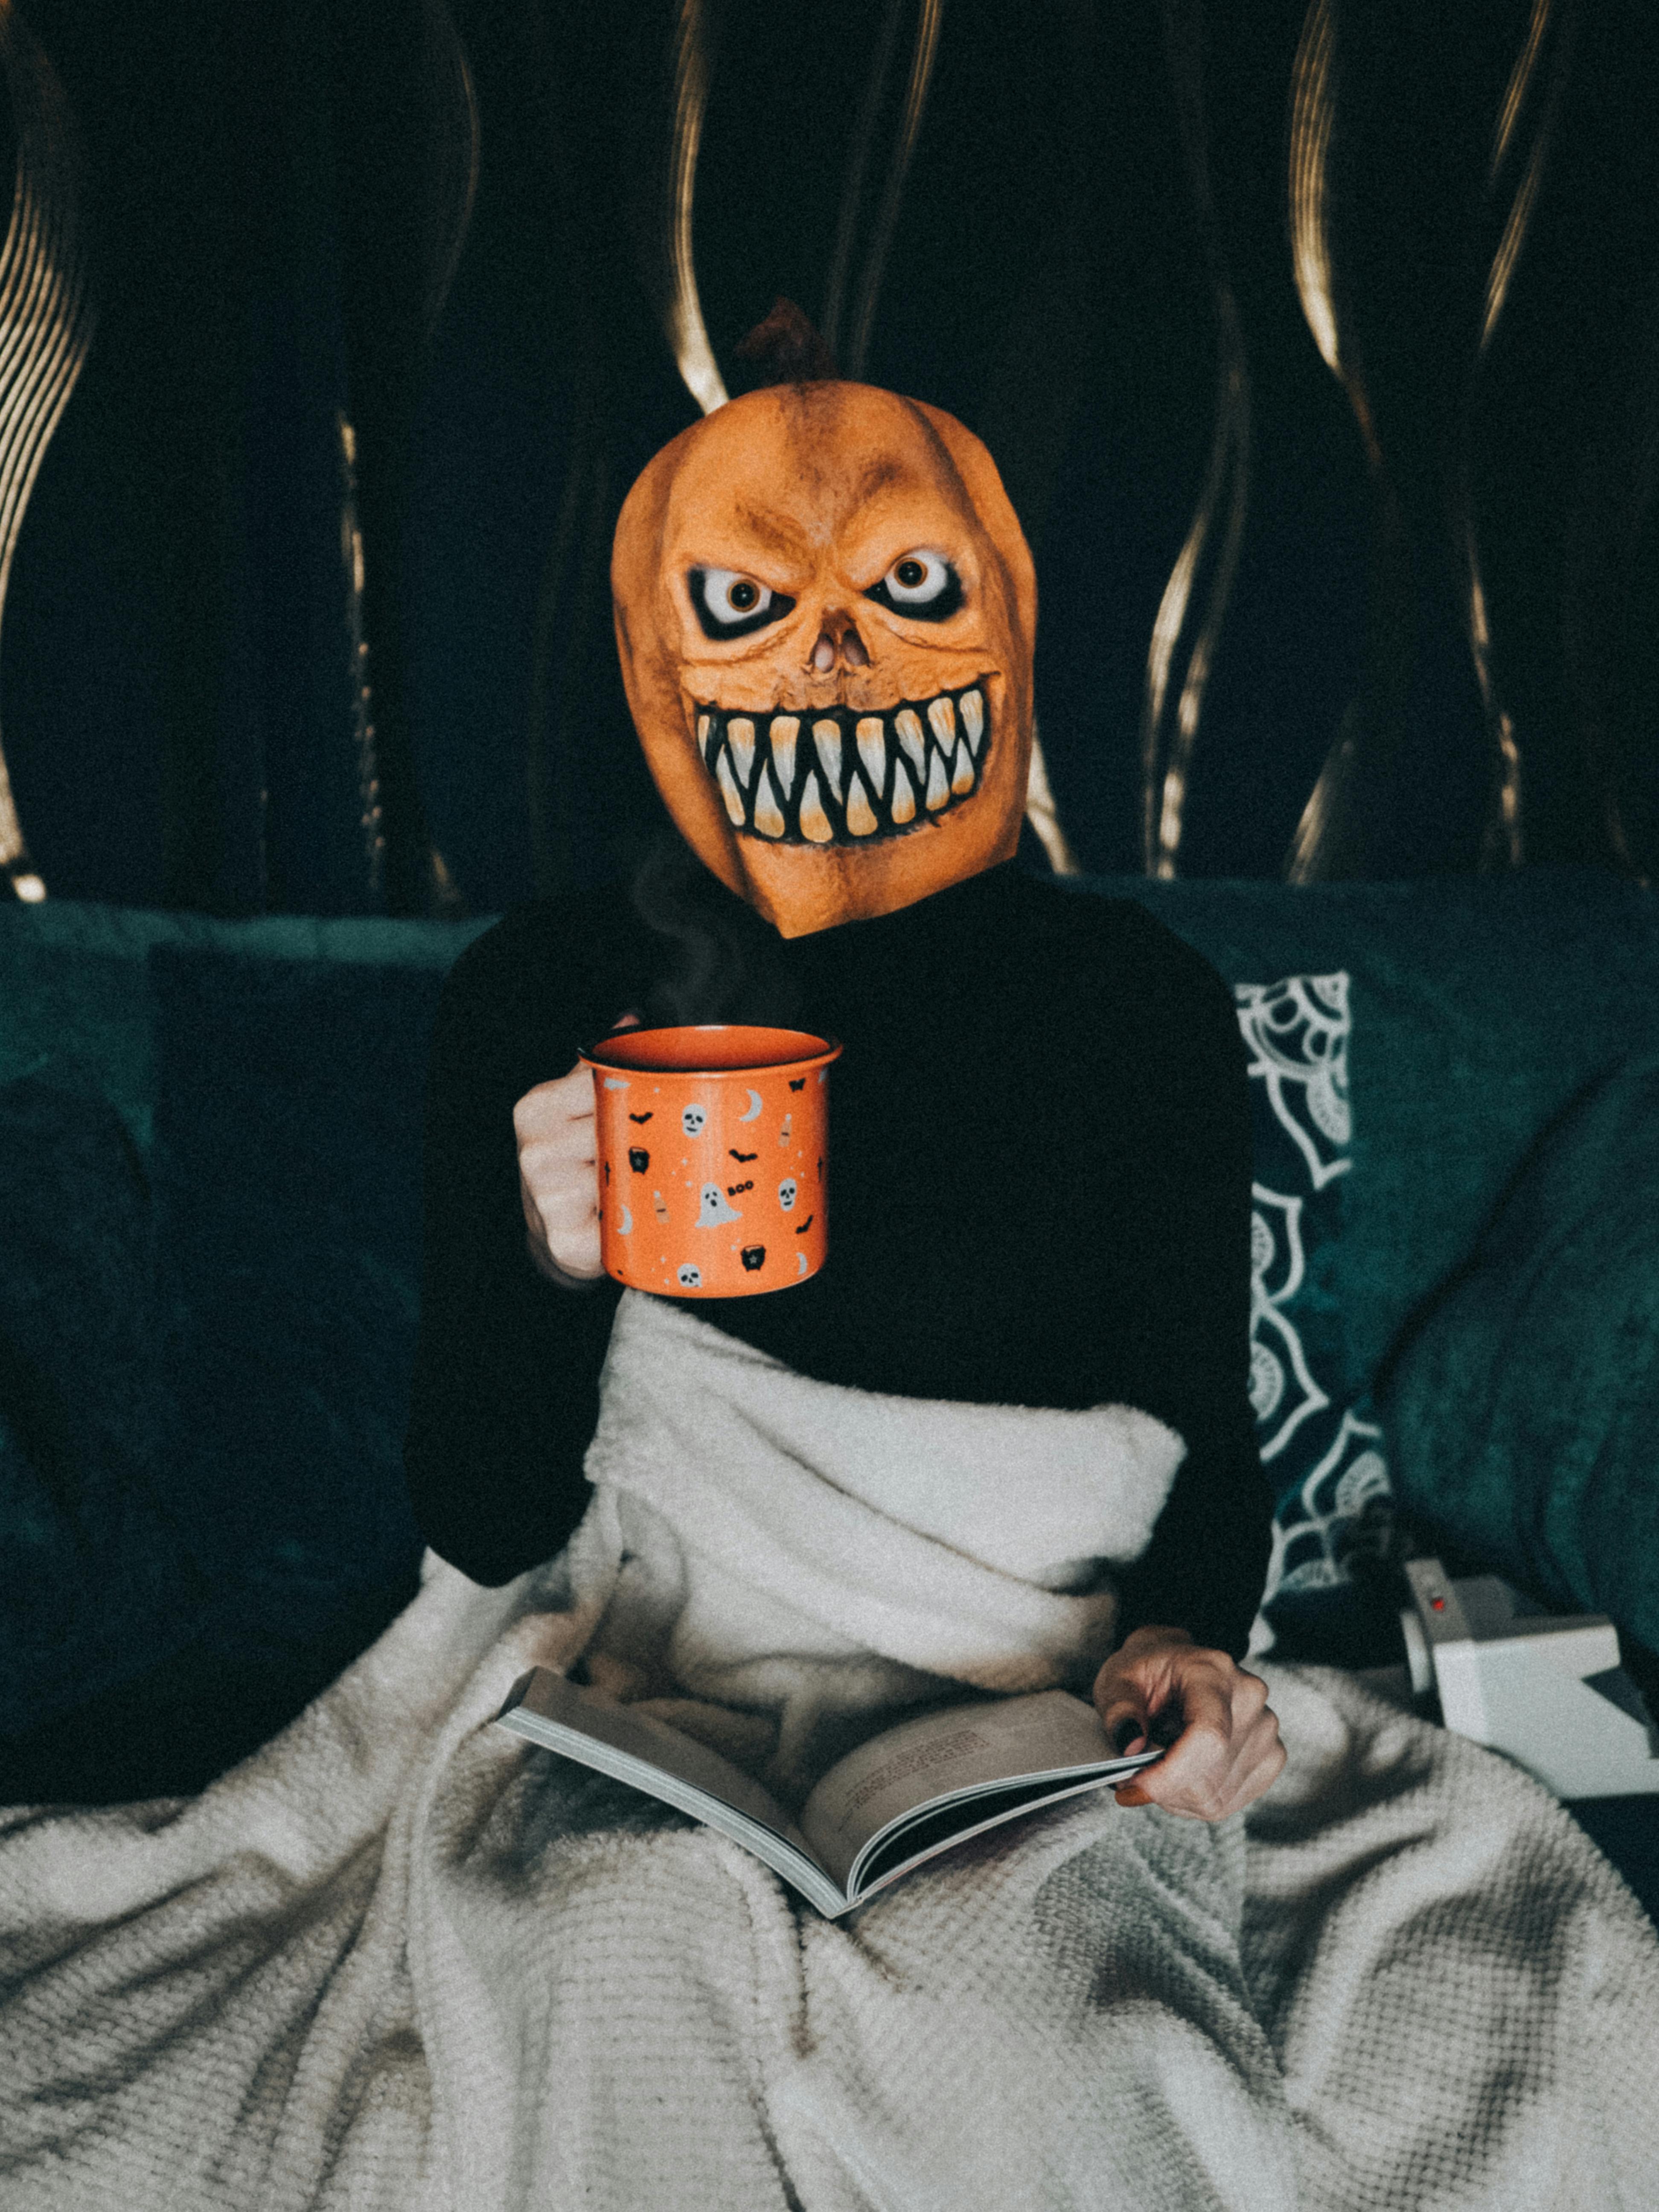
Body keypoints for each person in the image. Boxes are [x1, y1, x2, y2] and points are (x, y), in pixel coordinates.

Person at [405, 360, 1285, 1825]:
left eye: (912, 581)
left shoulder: (1135, 1002)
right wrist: (549, 1266)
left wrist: (1186, 1648)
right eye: (748, 604)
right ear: (654, 660)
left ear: (1007, 604)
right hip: (654, 1699)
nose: (832, 658)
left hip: (1029, 1711)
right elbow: (490, 1533)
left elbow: (1201, 1440)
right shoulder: (541, 993)